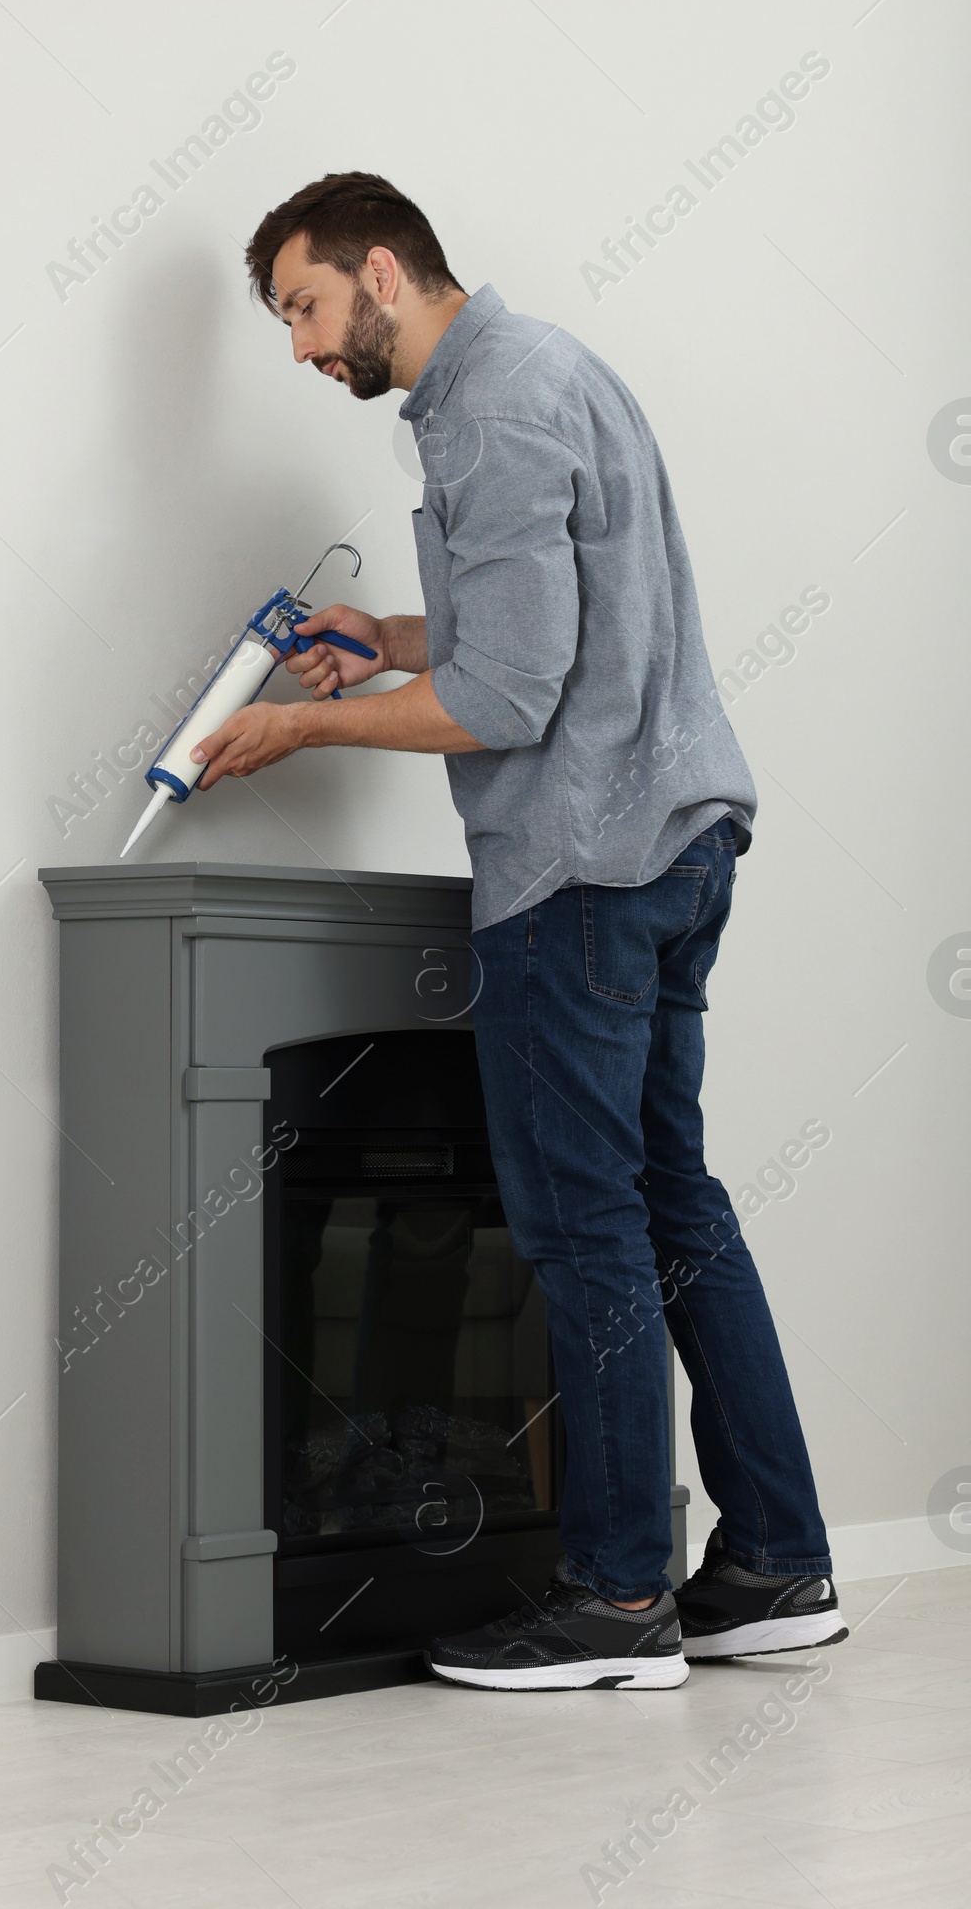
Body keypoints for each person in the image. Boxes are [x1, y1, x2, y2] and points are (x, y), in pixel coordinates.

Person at [189, 170, 844, 1692]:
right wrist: (389, 641)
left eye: (300, 306)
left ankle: (615, 1603)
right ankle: (775, 1560)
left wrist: (297, 728)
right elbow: (549, 623)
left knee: (586, 1228)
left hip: (580, 871)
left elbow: (507, 702)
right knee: (674, 1208)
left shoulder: (485, 412)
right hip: (677, 845)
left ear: (379, 272)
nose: (296, 346)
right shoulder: (553, 371)